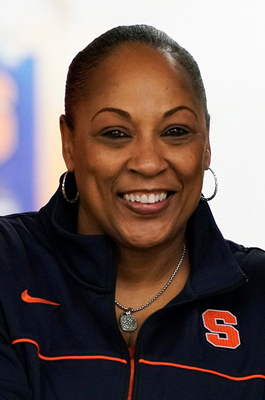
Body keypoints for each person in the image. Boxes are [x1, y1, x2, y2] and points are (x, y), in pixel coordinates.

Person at [0, 24, 265, 400]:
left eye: (175, 131)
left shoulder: (258, 296)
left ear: (206, 143)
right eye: (115, 133)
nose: (148, 163)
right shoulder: (7, 266)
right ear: (69, 143)